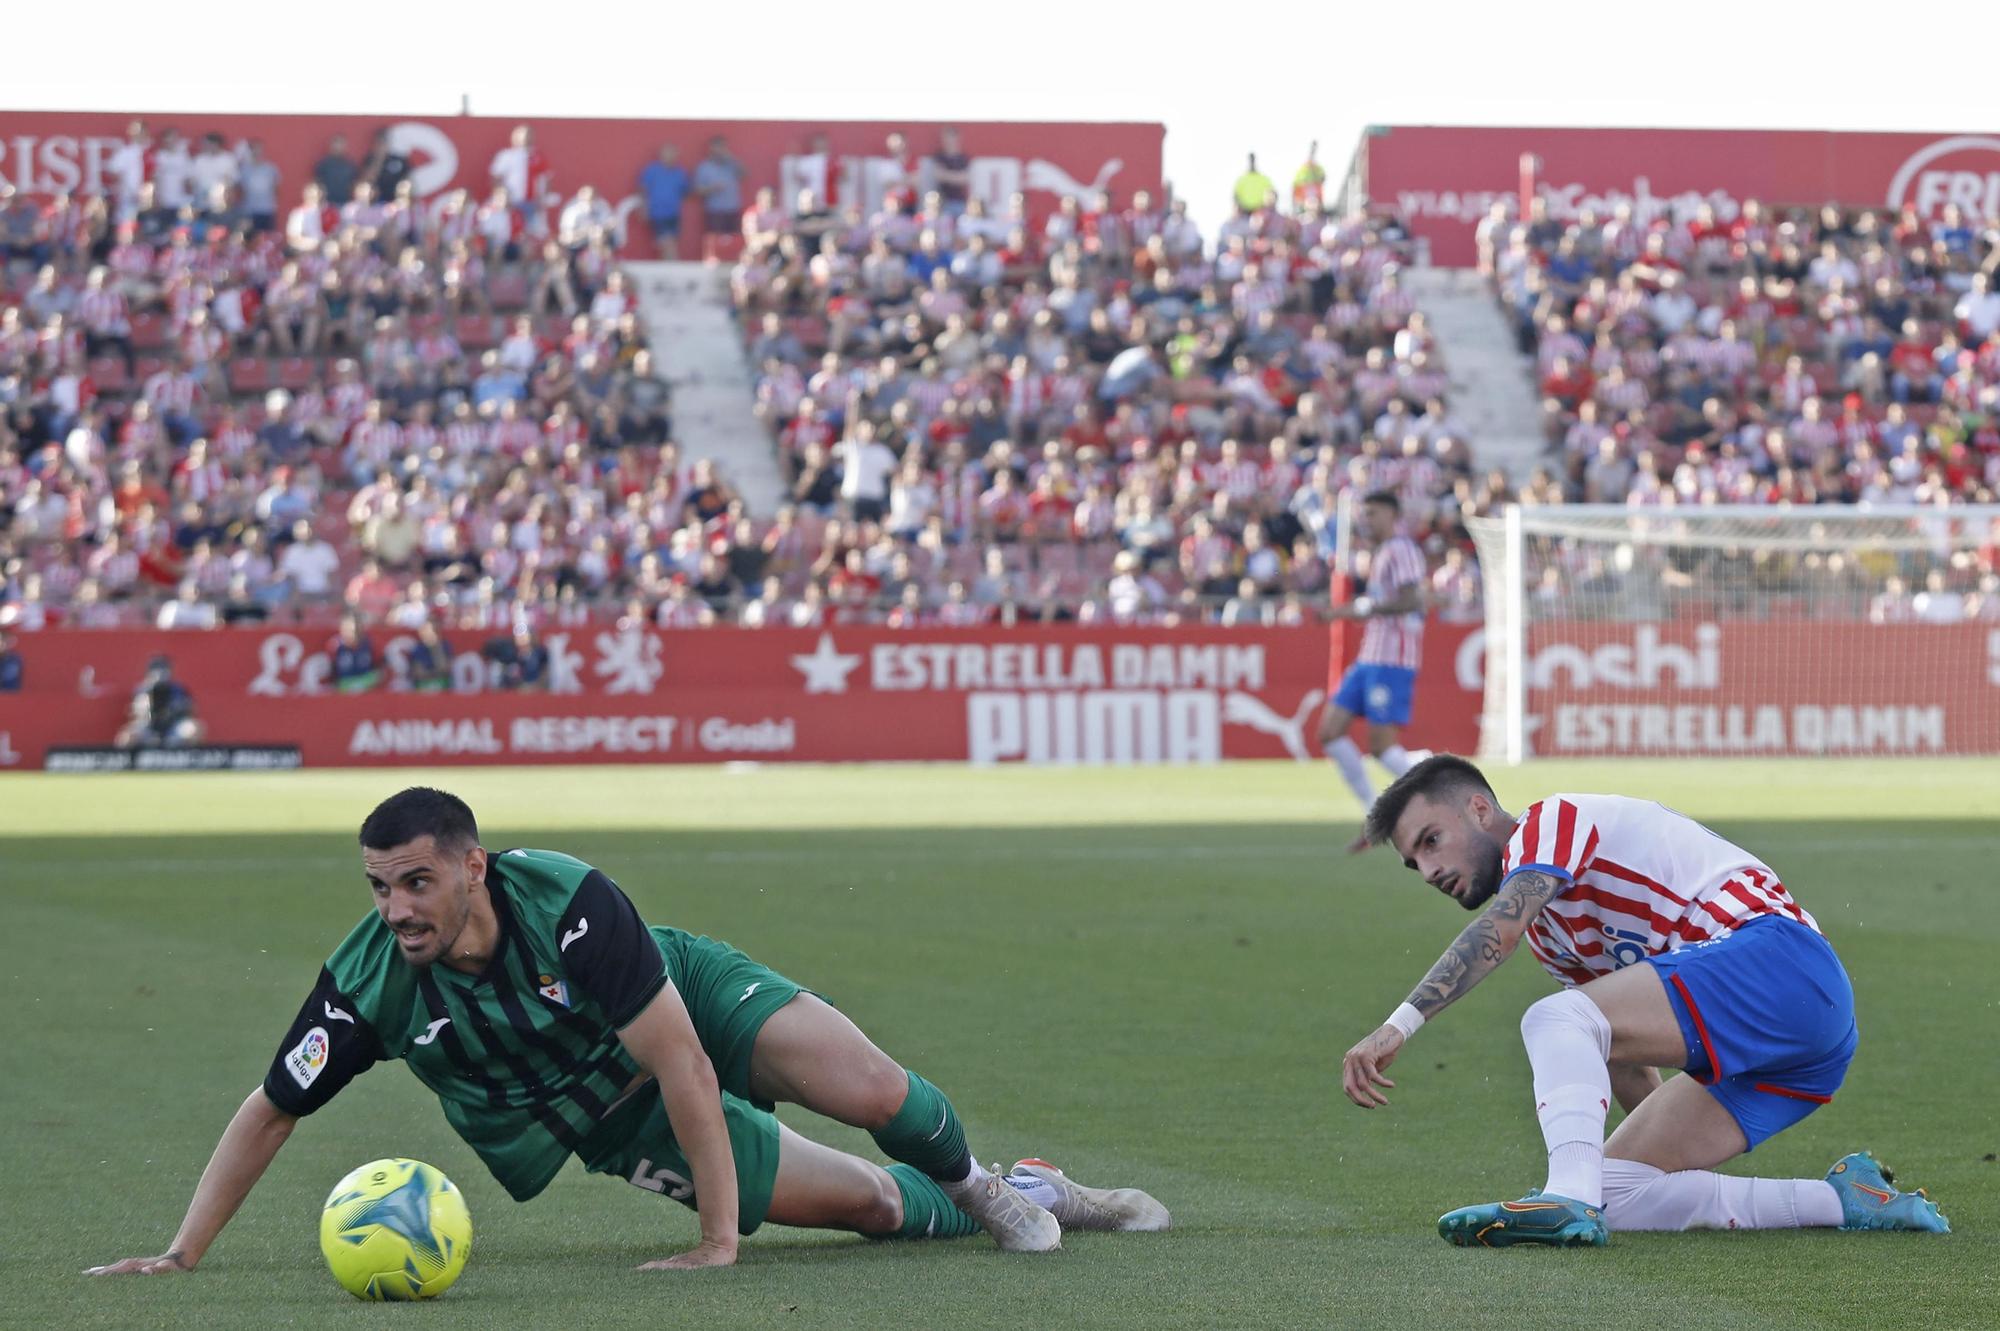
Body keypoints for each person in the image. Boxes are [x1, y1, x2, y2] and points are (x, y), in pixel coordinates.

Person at [88, 788, 1166, 1278]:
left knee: (874, 1087)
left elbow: (681, 1053)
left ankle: (978, 1182)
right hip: (610, 1115)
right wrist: (183, 1251)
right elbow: (273, 1106)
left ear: (473, 865)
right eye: (378, 887)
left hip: (678, 1001)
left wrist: (719, 1242)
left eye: (416, 881)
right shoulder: (370, 980)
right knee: (877, 1205)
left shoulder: (569, 903)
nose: (397, 908)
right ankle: (1022, 1186)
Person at [1339, 755, 1950, 1247]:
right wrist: (1662, 1152)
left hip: (1782, 963)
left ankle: (1565, 1199)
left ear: (1478, 809)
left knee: (1554, 1017)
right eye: (1413, 861)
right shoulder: (1554, 937)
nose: (1426, 869)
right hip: (1802, 1051)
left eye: (1431, 840)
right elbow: (1620, 1053)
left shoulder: (1553, 820)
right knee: (1620, 1191)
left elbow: (1498, 931)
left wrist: (1396, 1027)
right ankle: (1846, 1200)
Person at [1317, 491, 1428, 852]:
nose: (1367, 520)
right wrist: (1344, 612)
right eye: (1364, 514)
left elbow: (1412, 600)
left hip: (1392, 661)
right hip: (1369, 658)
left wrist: (1365, 609)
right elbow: (1377, 604)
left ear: (1393, 515)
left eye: (1374, 513)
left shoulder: (1402, 549)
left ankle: (1435, 778)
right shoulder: (1379, 554)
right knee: (1329, 731)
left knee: (1381, 748)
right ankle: (1372, 814)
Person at [114, 656, 204, 748]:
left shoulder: (178, 689)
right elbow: (132, 713)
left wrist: (179, 707)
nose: (161, 673)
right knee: (126, 737)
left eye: (164, 669)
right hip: (149, 727)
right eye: (157, 669)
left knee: (194, 729)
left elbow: (192, 709)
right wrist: (143, 708)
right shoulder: (143, 689)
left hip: (173, 727)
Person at [639, 144, 691, 260]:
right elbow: (643, 190)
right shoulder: (652, 170)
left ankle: (665, 268)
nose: (670, 156)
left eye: (673, 153)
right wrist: (644, 209)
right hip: (657, 212)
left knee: (669, 243)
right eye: (667, 153)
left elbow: (686, 191)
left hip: (674, 213)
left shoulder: (680, 172)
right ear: (661, 155)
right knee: (667, 243)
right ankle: (674, 267)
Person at [692, 137, 745, 242]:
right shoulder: (704, 167)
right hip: (715, 211)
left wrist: (733, 160)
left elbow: (744, 175)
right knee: (716, 243)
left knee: (735, 242)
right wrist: (712, 188)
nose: (720, 150)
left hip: (733, 210)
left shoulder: (732, 164)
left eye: (723, 147)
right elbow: (697, 190)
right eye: (717, 147)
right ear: (711, 149)